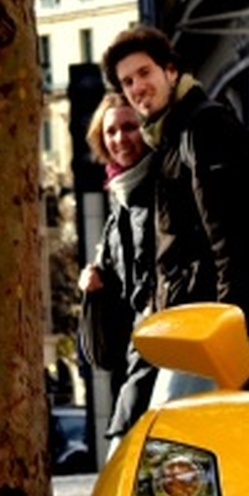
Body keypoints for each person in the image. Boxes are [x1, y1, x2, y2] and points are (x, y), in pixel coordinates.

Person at [102, 24, 249, 333]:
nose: (137, 87)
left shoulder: (201, 127)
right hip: (187, 319)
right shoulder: (169, 136)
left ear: (170, 71)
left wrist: (230, 325)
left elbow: (227, 238)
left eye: (144, 73)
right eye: (127, 82)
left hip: (209, 323)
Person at [76, 92, 162, 441]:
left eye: (130, 127)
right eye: (111, 132)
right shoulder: (119, 205)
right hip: (135, 359)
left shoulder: (163, 189)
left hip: (163, 354)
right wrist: (96, 286)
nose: (120, 139)